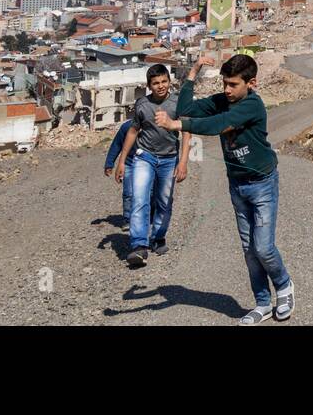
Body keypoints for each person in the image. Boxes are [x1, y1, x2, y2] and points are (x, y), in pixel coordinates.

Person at [156, 53, 293, 325]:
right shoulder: (222, 100)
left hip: (263, 184)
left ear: (251, 83)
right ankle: (263, 303)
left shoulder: (252, 106)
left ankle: (285, 287)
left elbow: (218, 125)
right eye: (224, 84)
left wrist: (176, 125)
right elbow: (187, 108)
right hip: (237, 185)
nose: (227, 90)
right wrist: (193, 73)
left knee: (263, 247)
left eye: (233, 85)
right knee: (248, 249)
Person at [114, 64, 191, 267]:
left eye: (164, 81)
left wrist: (183, 162)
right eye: (155, 83)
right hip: (144, 157)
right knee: (140, 198)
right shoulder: (142, 104)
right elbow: (133, 131)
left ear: (169, 81)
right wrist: (122, 161)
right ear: (149, 85)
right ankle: (139, 245)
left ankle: (158, 237)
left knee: (164, 201)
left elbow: (187, 131)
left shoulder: (177, 103)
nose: (160, 86)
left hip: (169, 159)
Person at [103, 118, 135, 229]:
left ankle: (148, 216)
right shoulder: (126, 127)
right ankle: (128, 219)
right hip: (129, 163)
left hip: (148, 164)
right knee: (128, 193)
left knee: (149, 192)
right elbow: (116, 145)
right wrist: (109, 164)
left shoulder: (151, 126)